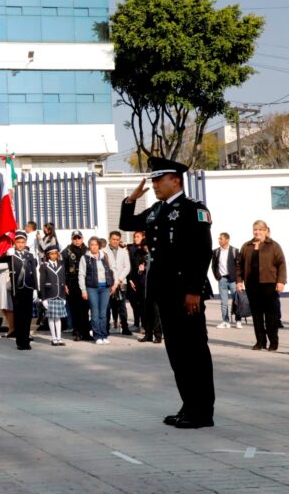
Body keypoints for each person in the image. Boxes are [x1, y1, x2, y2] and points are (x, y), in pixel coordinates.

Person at [120, 156, 215, 429]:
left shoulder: (192, 209)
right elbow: (128, 225)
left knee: (194, 351)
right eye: (152, 180)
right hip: (165, 293)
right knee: (177, 353)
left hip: (187, 294)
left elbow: (202, 252)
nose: (154, 184)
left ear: (175, 179)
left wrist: (194, 290)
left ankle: (202, 411)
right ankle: (189, 406)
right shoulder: (156, 210)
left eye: (158, 180)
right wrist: (131, 199)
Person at [236, 220, 286, 351]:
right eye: (255, 230)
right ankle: (260, 342)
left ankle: (273, 342)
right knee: (257, 315)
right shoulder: (246, 246)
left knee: (271, 315)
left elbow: (282, 264)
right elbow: (239, 265)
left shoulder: (273, 246)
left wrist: (281, 281)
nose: (257, 232)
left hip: (269, 284)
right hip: (252, 285)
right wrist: (239, 281)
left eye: (260, 230)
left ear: (265, 231)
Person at [0, 230, 38, 350]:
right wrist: (6, 253)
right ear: (15, 243)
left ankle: (26, 341)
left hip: (28, 288)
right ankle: (20, 342)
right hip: (16, 290)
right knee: (19, 316)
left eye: (23, 242)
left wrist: (35, 289)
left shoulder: (30, 255)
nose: (21, 244)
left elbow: (33, 271)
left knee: (27, 316)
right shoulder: (11, 256)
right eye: (18, 242)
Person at [79, 236, 118, 345]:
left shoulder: (104, 255)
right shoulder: (85, 258)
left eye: (95, 244)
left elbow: (113, 269)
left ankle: (104, 335)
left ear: (99, 246)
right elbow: (81, 275)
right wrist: (83, 290)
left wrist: (114, 284)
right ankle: (97, 336)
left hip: (105, 288)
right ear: (89, 246)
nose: (94, 247)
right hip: (92, 288)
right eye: (91, 244)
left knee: (103, 313)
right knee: (95, 313)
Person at [62, 230, 89, 341]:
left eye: (79, 238)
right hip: (72, 283)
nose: (77, 240)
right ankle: (77, 331)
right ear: (72, 239)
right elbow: (62, 269)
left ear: (82, 239)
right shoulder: (66, 252)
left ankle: (86, 332)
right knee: (75, 309)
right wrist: (64, 284)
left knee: (85, 309)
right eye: (75, 238)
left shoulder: (88, 250)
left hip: (86, 283)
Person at [105, 231, 132, 336]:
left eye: (117, 239)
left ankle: (125, 327)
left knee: (122, 306)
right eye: (113, 239)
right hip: (109, 283)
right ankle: (106, 328)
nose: (115, 241)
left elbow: (127, 267)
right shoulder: (104, 251)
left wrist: (119, 279)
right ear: (109, 239)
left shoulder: (124, 252)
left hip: (121, 282)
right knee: (108, 306)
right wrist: (112, 281)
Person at [213, 232, 241, 329]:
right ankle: (225, 321)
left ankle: (238, 320)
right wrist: (217, 276)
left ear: (227, 240)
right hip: (222, 280)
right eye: (219, 238)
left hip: (233, 280)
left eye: (221, 238)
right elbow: (214, 266)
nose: (219, 240)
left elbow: (238, 266)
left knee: (236, 301)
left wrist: (239, 281)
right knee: (224, 302)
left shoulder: (234, 251)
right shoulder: (216, 252)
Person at [40, 245, 67, 346]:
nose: (53, 255)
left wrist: (64, 296)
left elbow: (63, 280)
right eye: (51, 253)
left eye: (55, 253)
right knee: (51, 318)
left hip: (60, 294)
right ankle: (53, 338)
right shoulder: (44, 266)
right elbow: (41, 283)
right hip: (49, 295)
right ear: (48, 255)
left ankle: (59, 338)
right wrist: (43, 298)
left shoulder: (61, 264)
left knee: (58, 318)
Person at [126, 230, 146, 331]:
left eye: (137, 237)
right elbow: (128, 265)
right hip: (133, 279)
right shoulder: (131, 248)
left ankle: (144, 324)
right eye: (134, 237)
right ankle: (136, 323)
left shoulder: (146, 247)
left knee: (143, 303)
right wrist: (130, 279)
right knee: (134, 302)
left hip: (143, 280)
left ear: (143, 237)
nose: (135, 239)